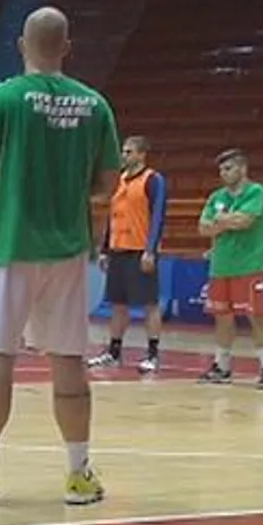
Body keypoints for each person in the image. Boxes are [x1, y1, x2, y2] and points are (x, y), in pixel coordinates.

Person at [0, 7, 120, 507]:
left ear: (21, 45)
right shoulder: (95, 104)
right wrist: (67, 186)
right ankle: (79, 475)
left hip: (10, 245)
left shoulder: (0, 98)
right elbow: (108, 184)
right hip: (68, 249)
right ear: (67, 47)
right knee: (69, 362)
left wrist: (6, 180)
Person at [197, 148, 263, 389]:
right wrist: (227, 221)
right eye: (221, 169)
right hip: (221, 266)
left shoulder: (257, 192)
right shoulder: (216, 197)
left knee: (256, 317)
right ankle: (222, 367)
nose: (223, 173)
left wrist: (220, 222)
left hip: (250, 264)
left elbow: (245, 221)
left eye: (228, 168)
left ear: (242, 169)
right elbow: (203, 228)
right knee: (222, 318)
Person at [87, 136, 167, 373]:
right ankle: (113, 352)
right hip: (118, 250)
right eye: (123, 151)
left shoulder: (153, 179)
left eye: (129, 151)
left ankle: (153, 354)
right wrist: (105, 250)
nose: (124, 155)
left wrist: (150, 250)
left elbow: (158, 216)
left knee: (150, 304)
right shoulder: (119, 181)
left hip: (140, 250)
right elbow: (112, 217)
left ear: (142, 154)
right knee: (118, 305)